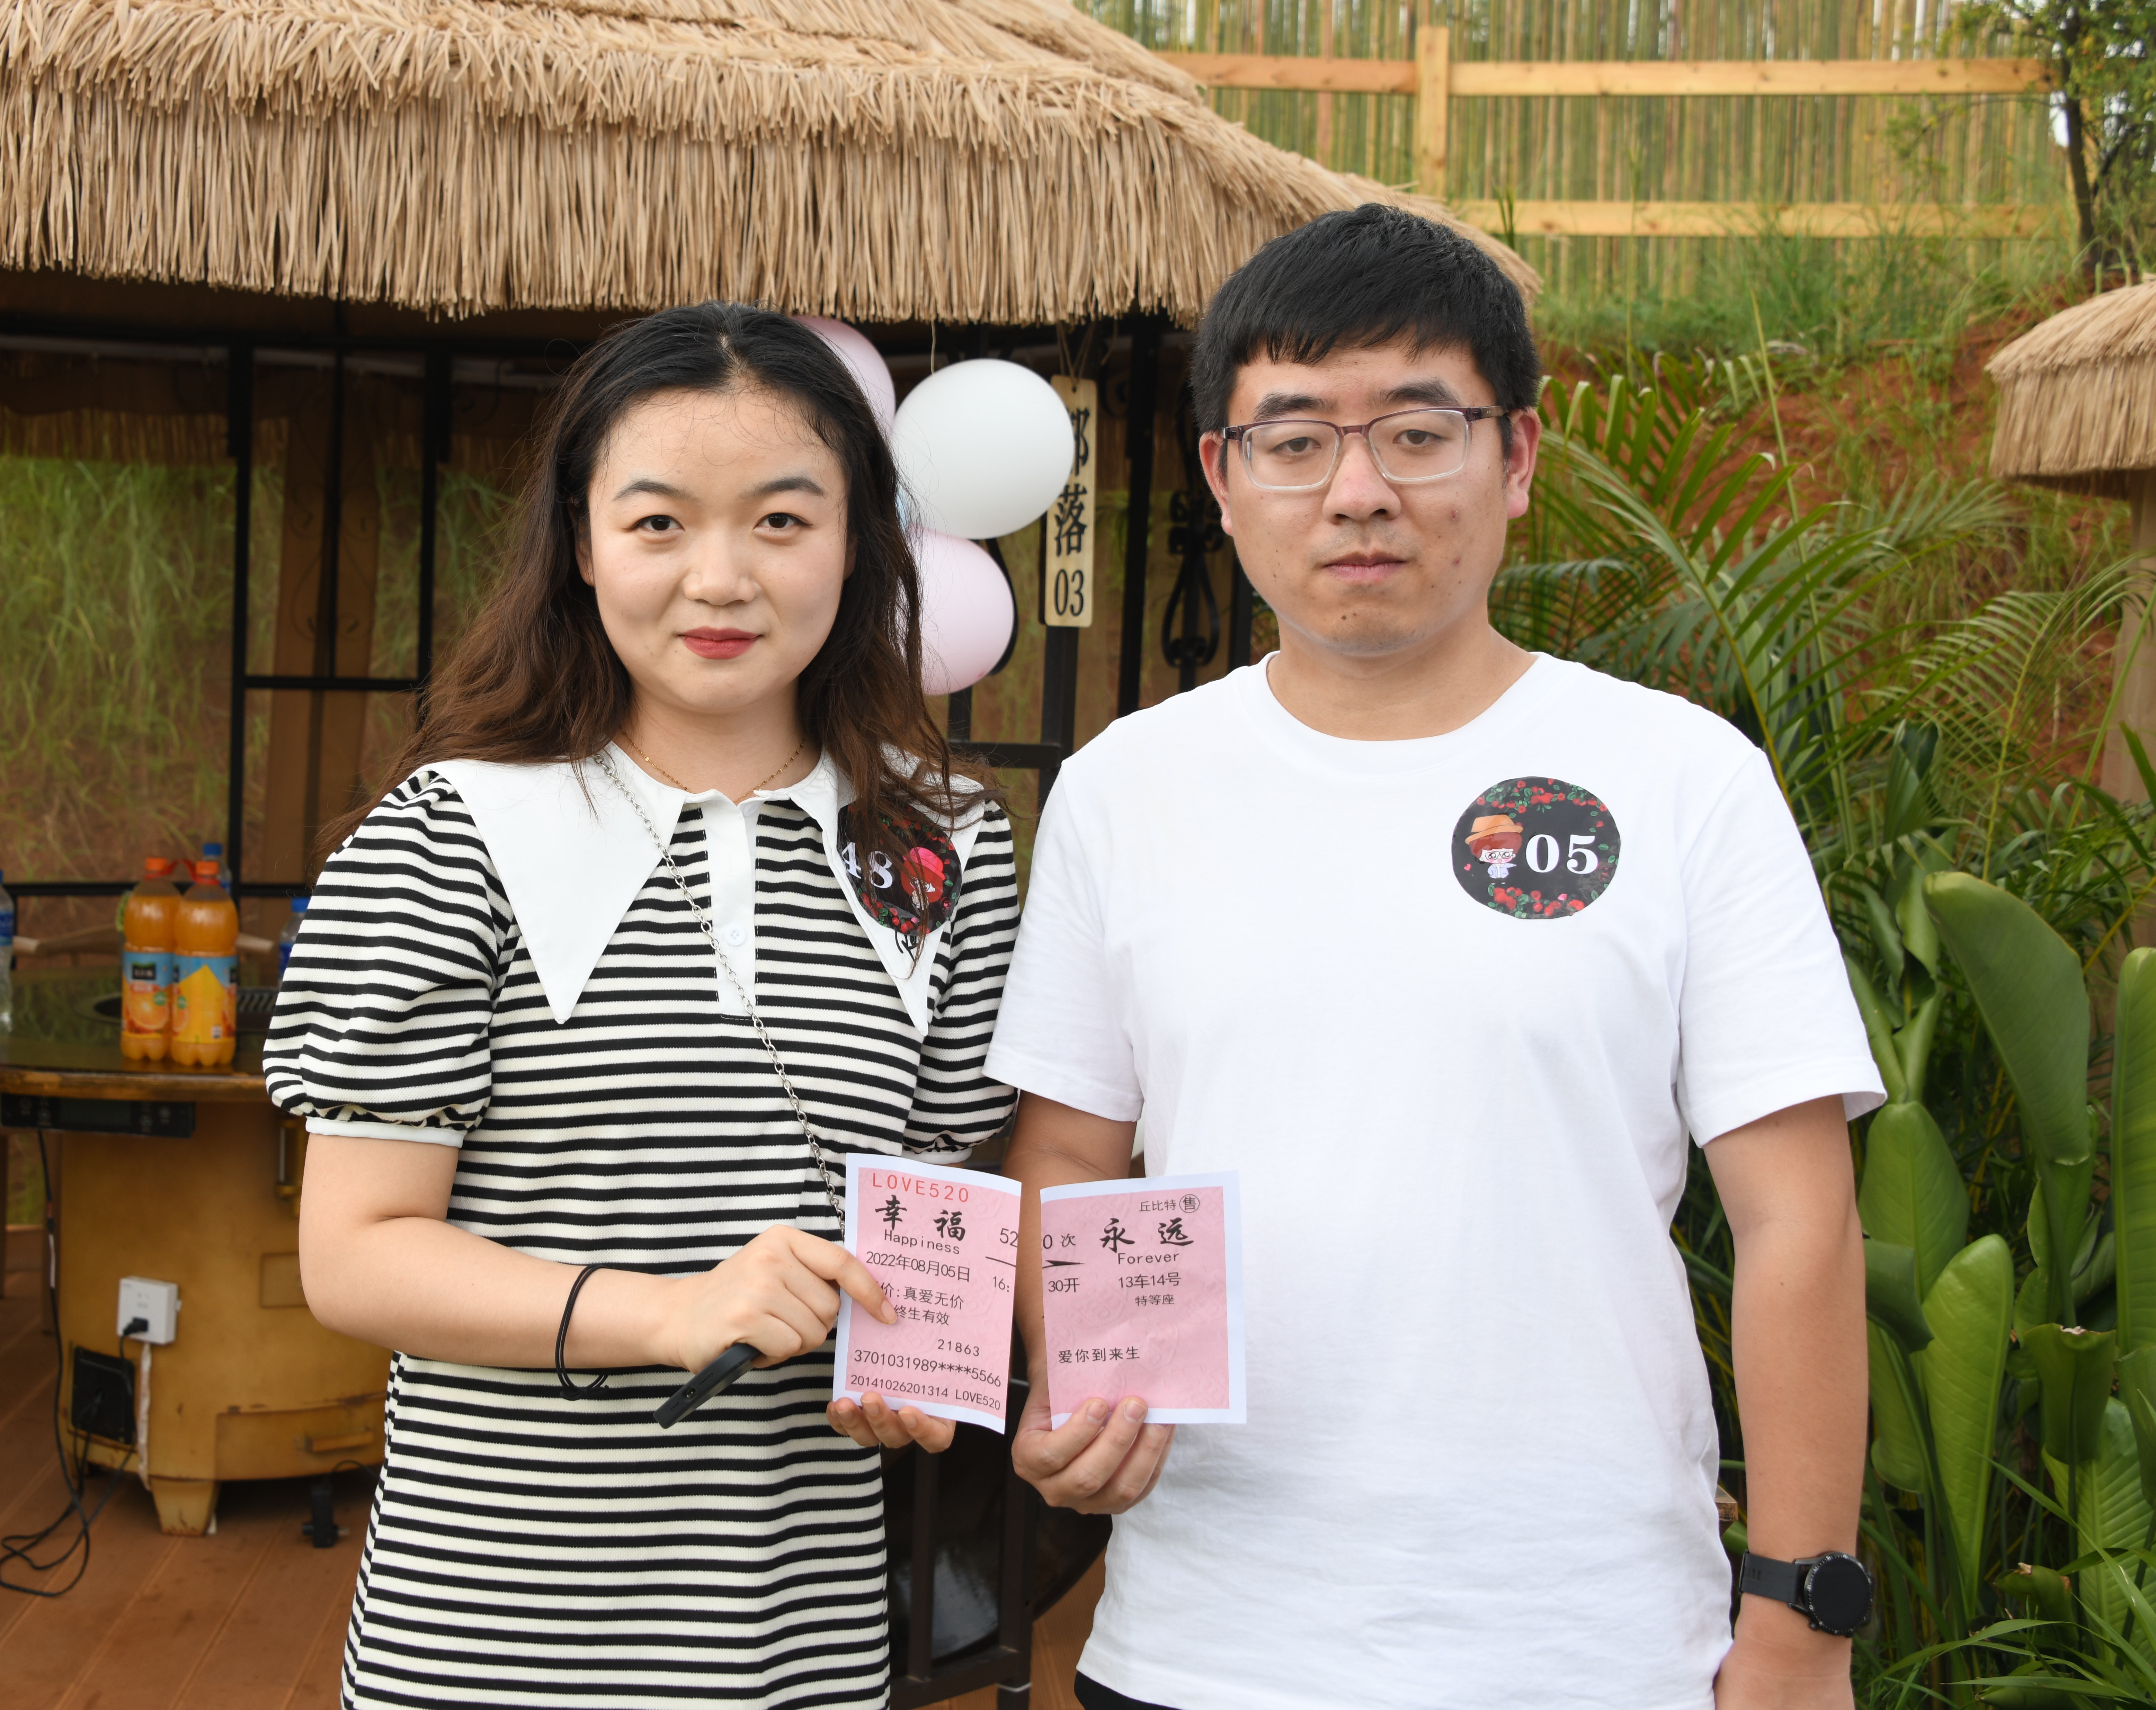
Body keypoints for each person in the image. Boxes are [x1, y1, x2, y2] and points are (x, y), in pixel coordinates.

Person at [989, 206, 1880, 1710]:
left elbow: (1797, 1213)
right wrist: (1095, 1379)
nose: (1358, 492)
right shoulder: (1126, 787)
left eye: (1417, 432)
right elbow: (1069, 1150)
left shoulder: (1679, 776)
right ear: (1222, 476)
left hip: (1586, 1645)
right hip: (1206, 1638)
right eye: (1294, 441)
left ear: (1516, 456)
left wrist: (1801, 1619)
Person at [264, 304, 1019, 1709]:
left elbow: (936, 1211)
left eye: (782, 521)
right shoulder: (452, 834)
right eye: (659, 522)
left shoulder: (947, 848)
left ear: (859, 541)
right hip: (490, 1639)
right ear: (582, 540)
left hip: (803, 1637)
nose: (719, 578)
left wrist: (916, 1360)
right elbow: (355, 1258)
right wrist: (672, 1310)